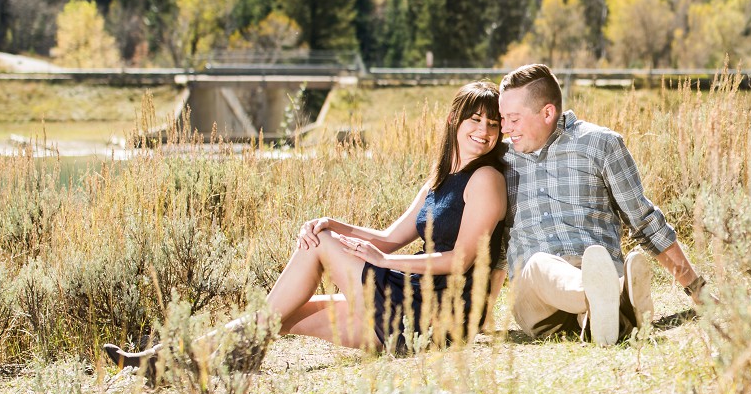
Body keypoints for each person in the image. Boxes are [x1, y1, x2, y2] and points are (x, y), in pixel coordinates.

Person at [103, 81, 509, 370]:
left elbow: (461, 258)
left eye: (493, 125)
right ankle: (168, 360)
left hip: (438, 315)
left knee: (319, 245)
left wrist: (386, 263)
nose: (484, 131)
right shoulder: (439, 179)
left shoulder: (486, 180)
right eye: (475, 120)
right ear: (455, 121)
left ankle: (176, 356)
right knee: (285, 314)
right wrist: (335, 223)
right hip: (408, 302)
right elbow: (388, 237)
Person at [495, 62, 705, 345]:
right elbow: (497, 243)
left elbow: (643, 220)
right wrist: (480, 313)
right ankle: (619, 299)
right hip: (538, 300)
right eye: (503, 118)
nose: (505, 128)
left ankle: (602, 317)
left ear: (547, 113)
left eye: (513, 119)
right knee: (538, 264)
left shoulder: (600, 144)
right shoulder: (500, 161)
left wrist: (696, 289)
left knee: (599, 274)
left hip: (597, 266)